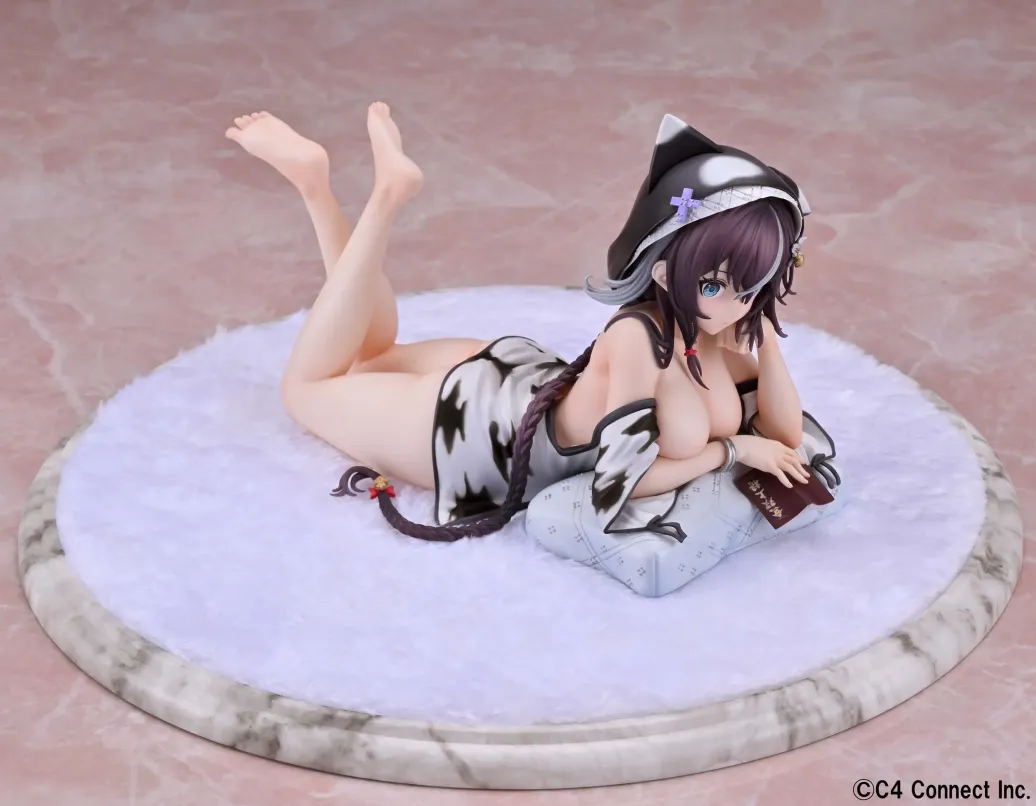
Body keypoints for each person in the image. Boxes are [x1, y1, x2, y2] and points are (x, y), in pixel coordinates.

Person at [226, 104, 845, 596]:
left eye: (753, 285)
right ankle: (382, 196)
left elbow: (785, 435)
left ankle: (314, 182)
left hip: (522, 380)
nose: (736, 302)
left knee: (369, 348)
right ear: (662, 268)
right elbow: (621, 484)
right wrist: (733, 450)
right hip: (474, 433)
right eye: (716, 283)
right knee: (307, 389)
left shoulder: (720, 330)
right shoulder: (637, 339)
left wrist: (767, 341)